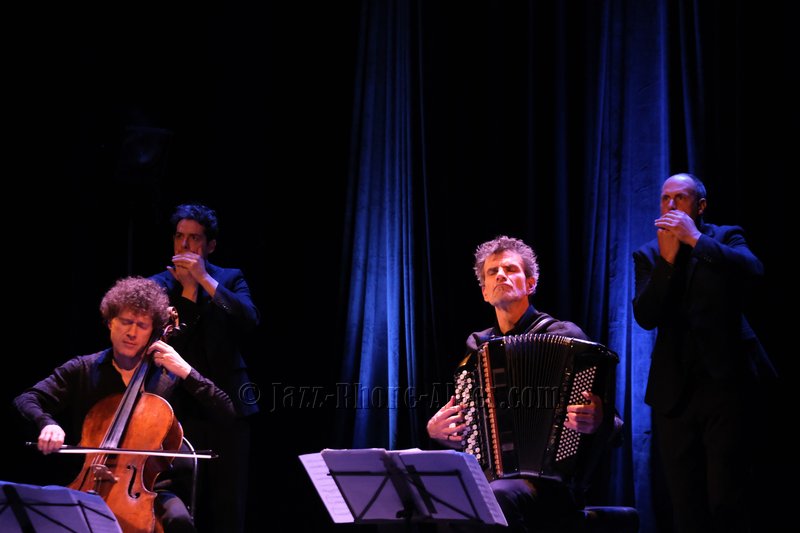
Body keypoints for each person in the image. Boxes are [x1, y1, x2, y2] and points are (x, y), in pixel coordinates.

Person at [427, 235, 619, 532]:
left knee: (497, 497)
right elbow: (468, 428)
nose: (501, 275)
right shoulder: (478, 347)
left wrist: (597, 419)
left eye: (511, 269)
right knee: (436, 498)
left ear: (530, 284)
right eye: (493, 272)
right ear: (485, 292)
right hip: (492, 478)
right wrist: (439, 431)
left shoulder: (566, 338)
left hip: (553, 483)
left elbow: (614, 425)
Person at [13, 277, 235, 533]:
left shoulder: (169, 376)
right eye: (126, 322)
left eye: (142, 325)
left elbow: (226, 411)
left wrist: (187, 372)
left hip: (152, 488)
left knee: (179, 521)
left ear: (152, 331)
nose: (132, 332)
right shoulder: (83, 369)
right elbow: (26, 399)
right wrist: (47, 424)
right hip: (88, 482)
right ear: (110, 322)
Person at [632, 173, 775, 532]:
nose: (671, 205)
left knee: (727, 497)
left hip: (726, 384)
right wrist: (667, 263)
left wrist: (694, 240)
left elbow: (753, 270)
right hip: (674, 392)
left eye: (680, 198)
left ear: (700, 206)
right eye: (665, 198)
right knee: (685, 502)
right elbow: (645, 316)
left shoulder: (724, 237)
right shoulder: (649, 253)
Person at [149, 203, 260, 533]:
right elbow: (170, 342)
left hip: (229, 403)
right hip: (178, 406)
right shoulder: (159, 284)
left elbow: (249, 319)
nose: (184, 245)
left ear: (210, 245)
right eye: (179, 236)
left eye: (194, 238)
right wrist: (187, 292)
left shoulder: (229, 278)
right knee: (182, 499)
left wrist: (204, 280)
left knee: (228, 503)